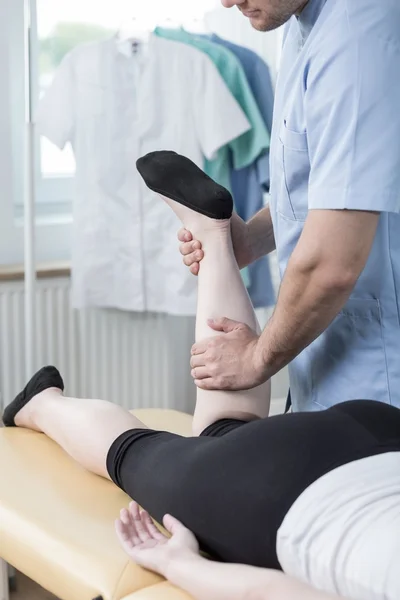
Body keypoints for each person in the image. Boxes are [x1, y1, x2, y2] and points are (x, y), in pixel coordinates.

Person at [3, 152, 400, 600]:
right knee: (137, 454)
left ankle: (215, 239)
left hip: (377, 429)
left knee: (228, 436)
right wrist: (181, 564)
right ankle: (40, 405)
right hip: (289, 494)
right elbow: (269, 592)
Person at [179, 0, 400, 411]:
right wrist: (250, 240)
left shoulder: (356, 39)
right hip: (324, 368)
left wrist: (256, 357)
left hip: (381, 386)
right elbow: (321, 193)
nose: (227, 1)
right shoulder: (299, 22)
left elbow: (331, 264)